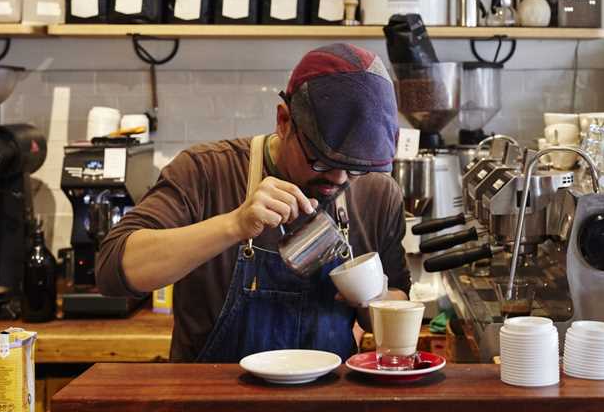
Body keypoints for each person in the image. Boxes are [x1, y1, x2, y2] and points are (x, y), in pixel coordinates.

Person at [96, 43, 410, 362]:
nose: (340, 179)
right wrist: (234, 225)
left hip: (325, 404)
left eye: (357, 167)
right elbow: (112, 272)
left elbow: (398, 302)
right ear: (284, 121)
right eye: (321, 160)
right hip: (211, 403)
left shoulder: (378, 194)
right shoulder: (206, 171)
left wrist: (376, 297)